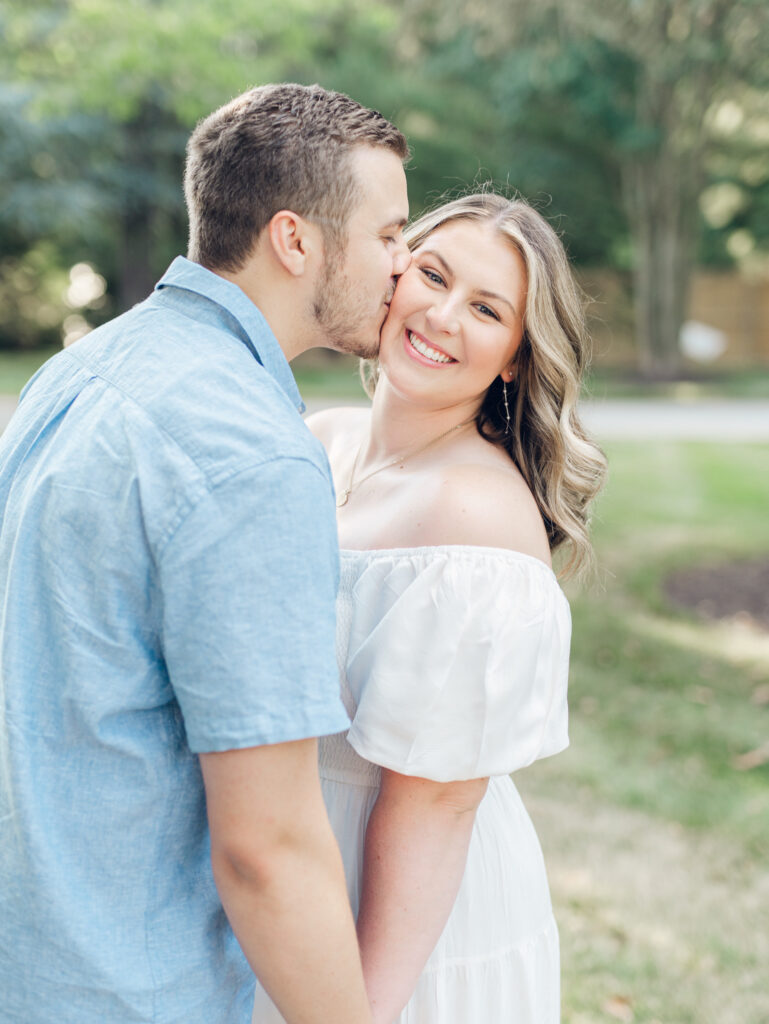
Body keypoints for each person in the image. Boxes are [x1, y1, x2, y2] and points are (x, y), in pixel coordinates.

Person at [0, 83, 410, 1024]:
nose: (404, 263)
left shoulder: (82, 368)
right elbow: (266, 846)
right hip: (125, 987)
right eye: (388, 234)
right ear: (295, 239)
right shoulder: (250, 453)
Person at [252, 192, 607, 1023]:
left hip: (404, 924)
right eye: (433, 275)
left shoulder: (473, 521)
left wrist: (364, 1009)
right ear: (392, 273)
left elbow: (438, 803)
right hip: (279, 864)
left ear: (517, 356)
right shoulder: (315, 439)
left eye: (485, 309)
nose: (442, 316)